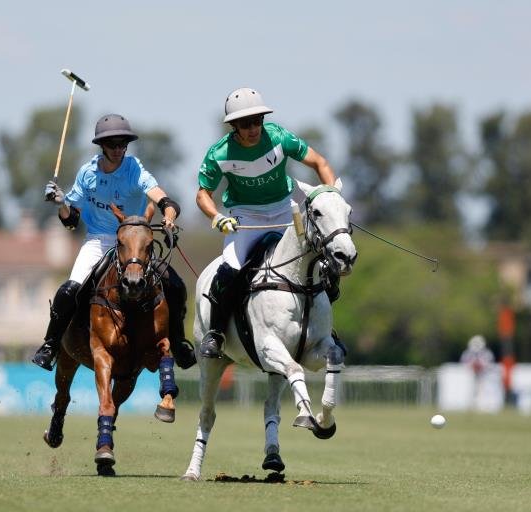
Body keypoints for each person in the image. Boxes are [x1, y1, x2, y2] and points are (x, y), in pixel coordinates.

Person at [31, 113, 196, 371]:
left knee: (174, 285)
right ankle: (50, 344)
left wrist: (169, 214)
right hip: (98, 241)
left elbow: (163, 198)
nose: (119, 150)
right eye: (112, 145)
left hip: (134, 241)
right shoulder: (87, 174)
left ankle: (178, 342)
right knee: (69, 290)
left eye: (123, 144)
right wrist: (61, 203)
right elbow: (71, 221)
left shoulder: (134, 169)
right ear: (101, 147)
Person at [196, 87, 339, 359]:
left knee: (322, 264)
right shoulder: (219, 153)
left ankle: (327, 331)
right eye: (245, 123)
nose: (253, 128)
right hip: (245, 215)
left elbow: (319, 162)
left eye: (258, 121)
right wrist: (217, 217)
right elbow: (203, 194)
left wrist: (329, 196)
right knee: (230, 269)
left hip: (286, 210)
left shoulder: (279, 137)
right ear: (234, 126)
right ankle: (216, 333)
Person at [460, 334, 495, 410]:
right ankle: (470, 405)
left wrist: (481, 366)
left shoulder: (487, 353)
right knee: (471, 390)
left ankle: (484, 406)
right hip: (471, 375)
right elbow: (464, 363)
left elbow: (489, 364)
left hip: (484, 375)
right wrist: (472, 366)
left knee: (484, 390)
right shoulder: (467, 353)